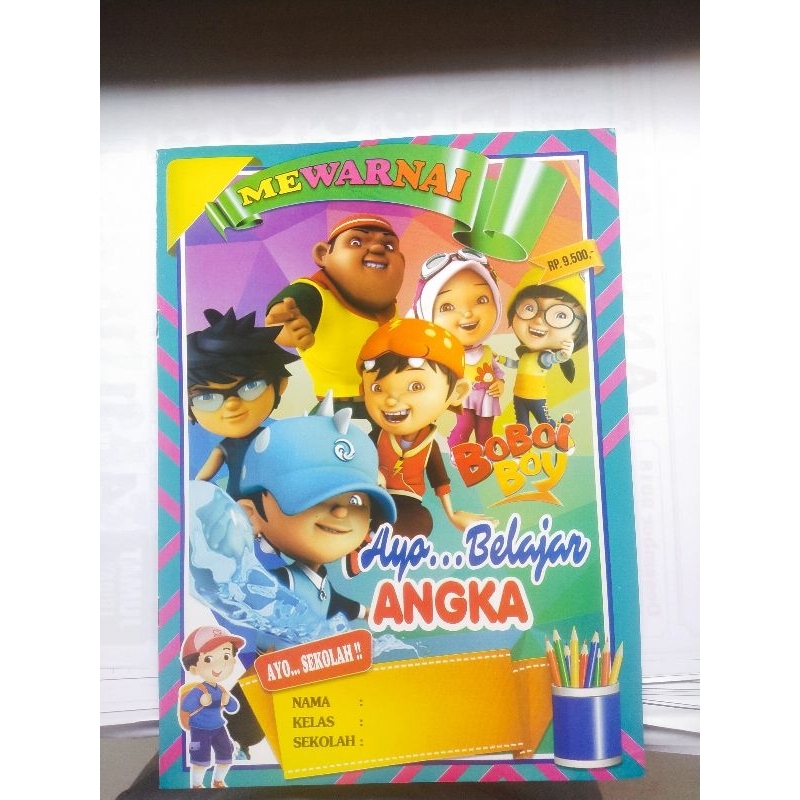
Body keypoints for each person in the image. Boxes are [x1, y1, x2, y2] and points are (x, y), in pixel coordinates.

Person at [237, 392, 397, 621]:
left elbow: (335, 603)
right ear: (250, 515)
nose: (341, 511)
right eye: (314, 496)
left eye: (356, 501)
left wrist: (368, 612)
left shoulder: (319, 579)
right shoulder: (279, 582)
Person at [357, 318, 492, 539]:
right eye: (377, 388)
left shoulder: (430, 446)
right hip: (370, 493)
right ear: (363, 390)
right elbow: (357, 459)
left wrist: (452, 515)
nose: (390, 400)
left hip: (408, 503)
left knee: (420, 521)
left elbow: (440, 482)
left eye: (416, 386)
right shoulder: (376, 437)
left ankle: (372, 539)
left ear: (457, 392)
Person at [264, 214, 405, 422]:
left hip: (386, 405)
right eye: (356, 242)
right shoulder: (316, 293)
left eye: (389, 246)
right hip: (334, 409)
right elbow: (286, 310)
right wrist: (286, 328)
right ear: (323, 254)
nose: (377, 248)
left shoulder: (391, 307)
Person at [187, 307, 298, 499]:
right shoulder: (225, 448)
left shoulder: (275, 438)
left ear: (280, 384)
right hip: (237, 504)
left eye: (250, 386)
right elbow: (201, 479)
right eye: (207, 397)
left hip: (277, 502)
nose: (232, 404)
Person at [407, 247, 505, 448]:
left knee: (486, 429)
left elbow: (497, 371)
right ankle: (457, 451)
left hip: (487, 397)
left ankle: (486, 455)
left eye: (482, 300)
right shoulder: (444, 356)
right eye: (447, 307)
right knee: (464, 426)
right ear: (425, 314)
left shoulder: (487, 352)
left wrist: (500, 383)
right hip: (463, 399)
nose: (468, 314)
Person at [504, 269, 588, 431]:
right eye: (529, 307)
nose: (538, 320)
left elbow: (554, 359)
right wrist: (498, 359)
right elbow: (515, 364)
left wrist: (564, 355)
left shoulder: (543, 357)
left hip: (536, 397)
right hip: (518, 395)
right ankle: (523, 439)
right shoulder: (525, 355)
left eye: (561, 315)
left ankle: (559, 432)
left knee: (544, 421)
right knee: (521, 423)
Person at [179, 625, 245, 789]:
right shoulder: (198, 690)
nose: (220, 664)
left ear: (233, 660)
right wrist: (201, 701)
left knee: (226, 754)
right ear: (194, 667)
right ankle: (196, 784)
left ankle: (218, 781)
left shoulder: (221, 689)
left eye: (226, 656)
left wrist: (227, 700)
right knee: (200, 758)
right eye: (208, 659)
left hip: (218, 728)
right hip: (200, 729)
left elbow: (233, 708)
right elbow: (186, 706)